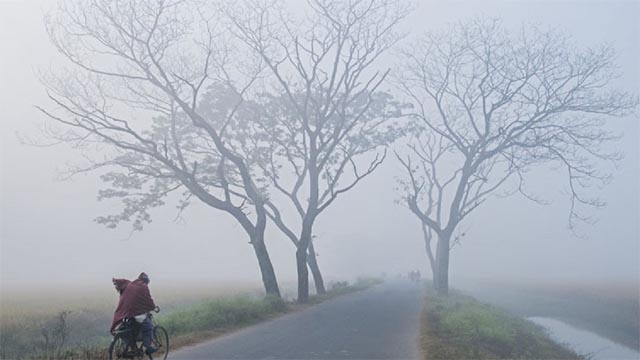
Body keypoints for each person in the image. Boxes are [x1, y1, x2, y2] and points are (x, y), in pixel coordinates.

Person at [110, 272, 159, 355]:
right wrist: (153, 307)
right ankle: (147, 347)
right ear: (146, 281)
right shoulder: (143, 286)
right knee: (149, 327)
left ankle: (131, 348)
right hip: (136, 313)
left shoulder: (130, 285)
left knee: (127, 330)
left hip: (126, 314)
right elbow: (148, 300)